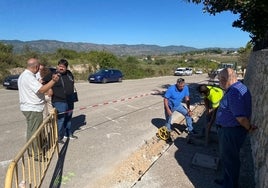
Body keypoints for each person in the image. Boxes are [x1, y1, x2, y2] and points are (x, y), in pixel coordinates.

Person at [215, 68, 257, 187]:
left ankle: (230, 185)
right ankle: (226, 180)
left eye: (219, 80)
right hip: (231, 130)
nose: (219, 83)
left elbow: (241, 118)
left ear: (224, 79)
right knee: (227, 158)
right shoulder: (240, 87)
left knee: (230, 160)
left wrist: (248, 128)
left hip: (230, 132)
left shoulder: (234, 92)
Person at [18, 58, 60, 157]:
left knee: (31, 130)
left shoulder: (24, 75)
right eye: (39, 68)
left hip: (29, 108)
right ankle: (36, 153)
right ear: (36, 67)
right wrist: (53, 81)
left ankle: (31, 150)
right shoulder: (28, 77)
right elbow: (41, 90)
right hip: (33, 108)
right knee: (35, 133)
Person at [43, 59, 78, 143]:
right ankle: (58, 137)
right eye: (60, 66)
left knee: (69, 118)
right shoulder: (52, 74)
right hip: (59, 100)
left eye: (63, 67)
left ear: (66, 67)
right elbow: (42, 82)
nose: (61, 68)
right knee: (61, 119)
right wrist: (49, 89)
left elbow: (72, 83)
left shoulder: (69, 73)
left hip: (70, 99)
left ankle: (68, 133)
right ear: (57, 66)